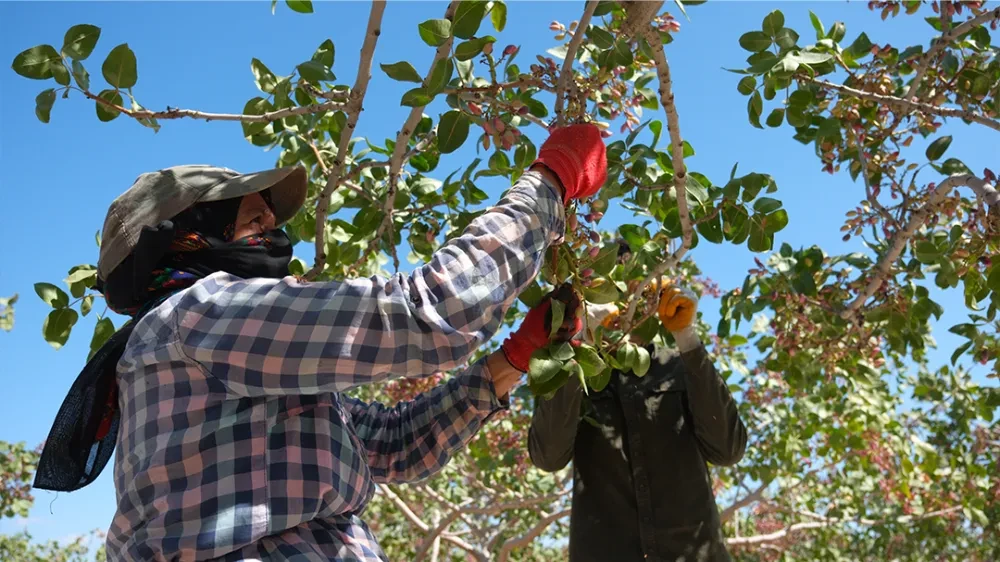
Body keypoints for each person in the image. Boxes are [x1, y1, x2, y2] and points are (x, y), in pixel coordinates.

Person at [32, 124, 607, 562]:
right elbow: (433, 309)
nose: (276, 237)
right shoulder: (201, 313)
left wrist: (512, 360)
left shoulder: (221, 348)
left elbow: (392, 443)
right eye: (253, 221)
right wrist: (549, 182)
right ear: (187, 237)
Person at [527, 277, 748, 562]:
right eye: (608, 292)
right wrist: (575, 342)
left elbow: (728, 450)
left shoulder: (680, 365)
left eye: (636, 294)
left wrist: (687, 337)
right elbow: (548, 456)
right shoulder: (570, 374)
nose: (624, 306)